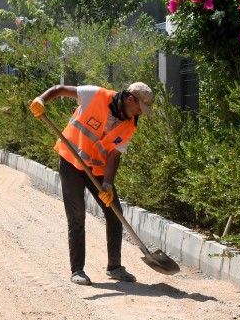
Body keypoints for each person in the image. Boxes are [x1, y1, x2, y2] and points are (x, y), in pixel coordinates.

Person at [29, 82, 155, 285]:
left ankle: (114, 267)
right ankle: (77, 270)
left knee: (115, 213)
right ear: (130, 99)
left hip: (96, 169)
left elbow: (114, 156)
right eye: (139, 108)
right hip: (71, 160)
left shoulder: (130, 125)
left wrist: (107, 185)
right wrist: (41, 99)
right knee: (77, 215)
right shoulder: (95, 95)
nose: (140, 113)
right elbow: (59, 89)